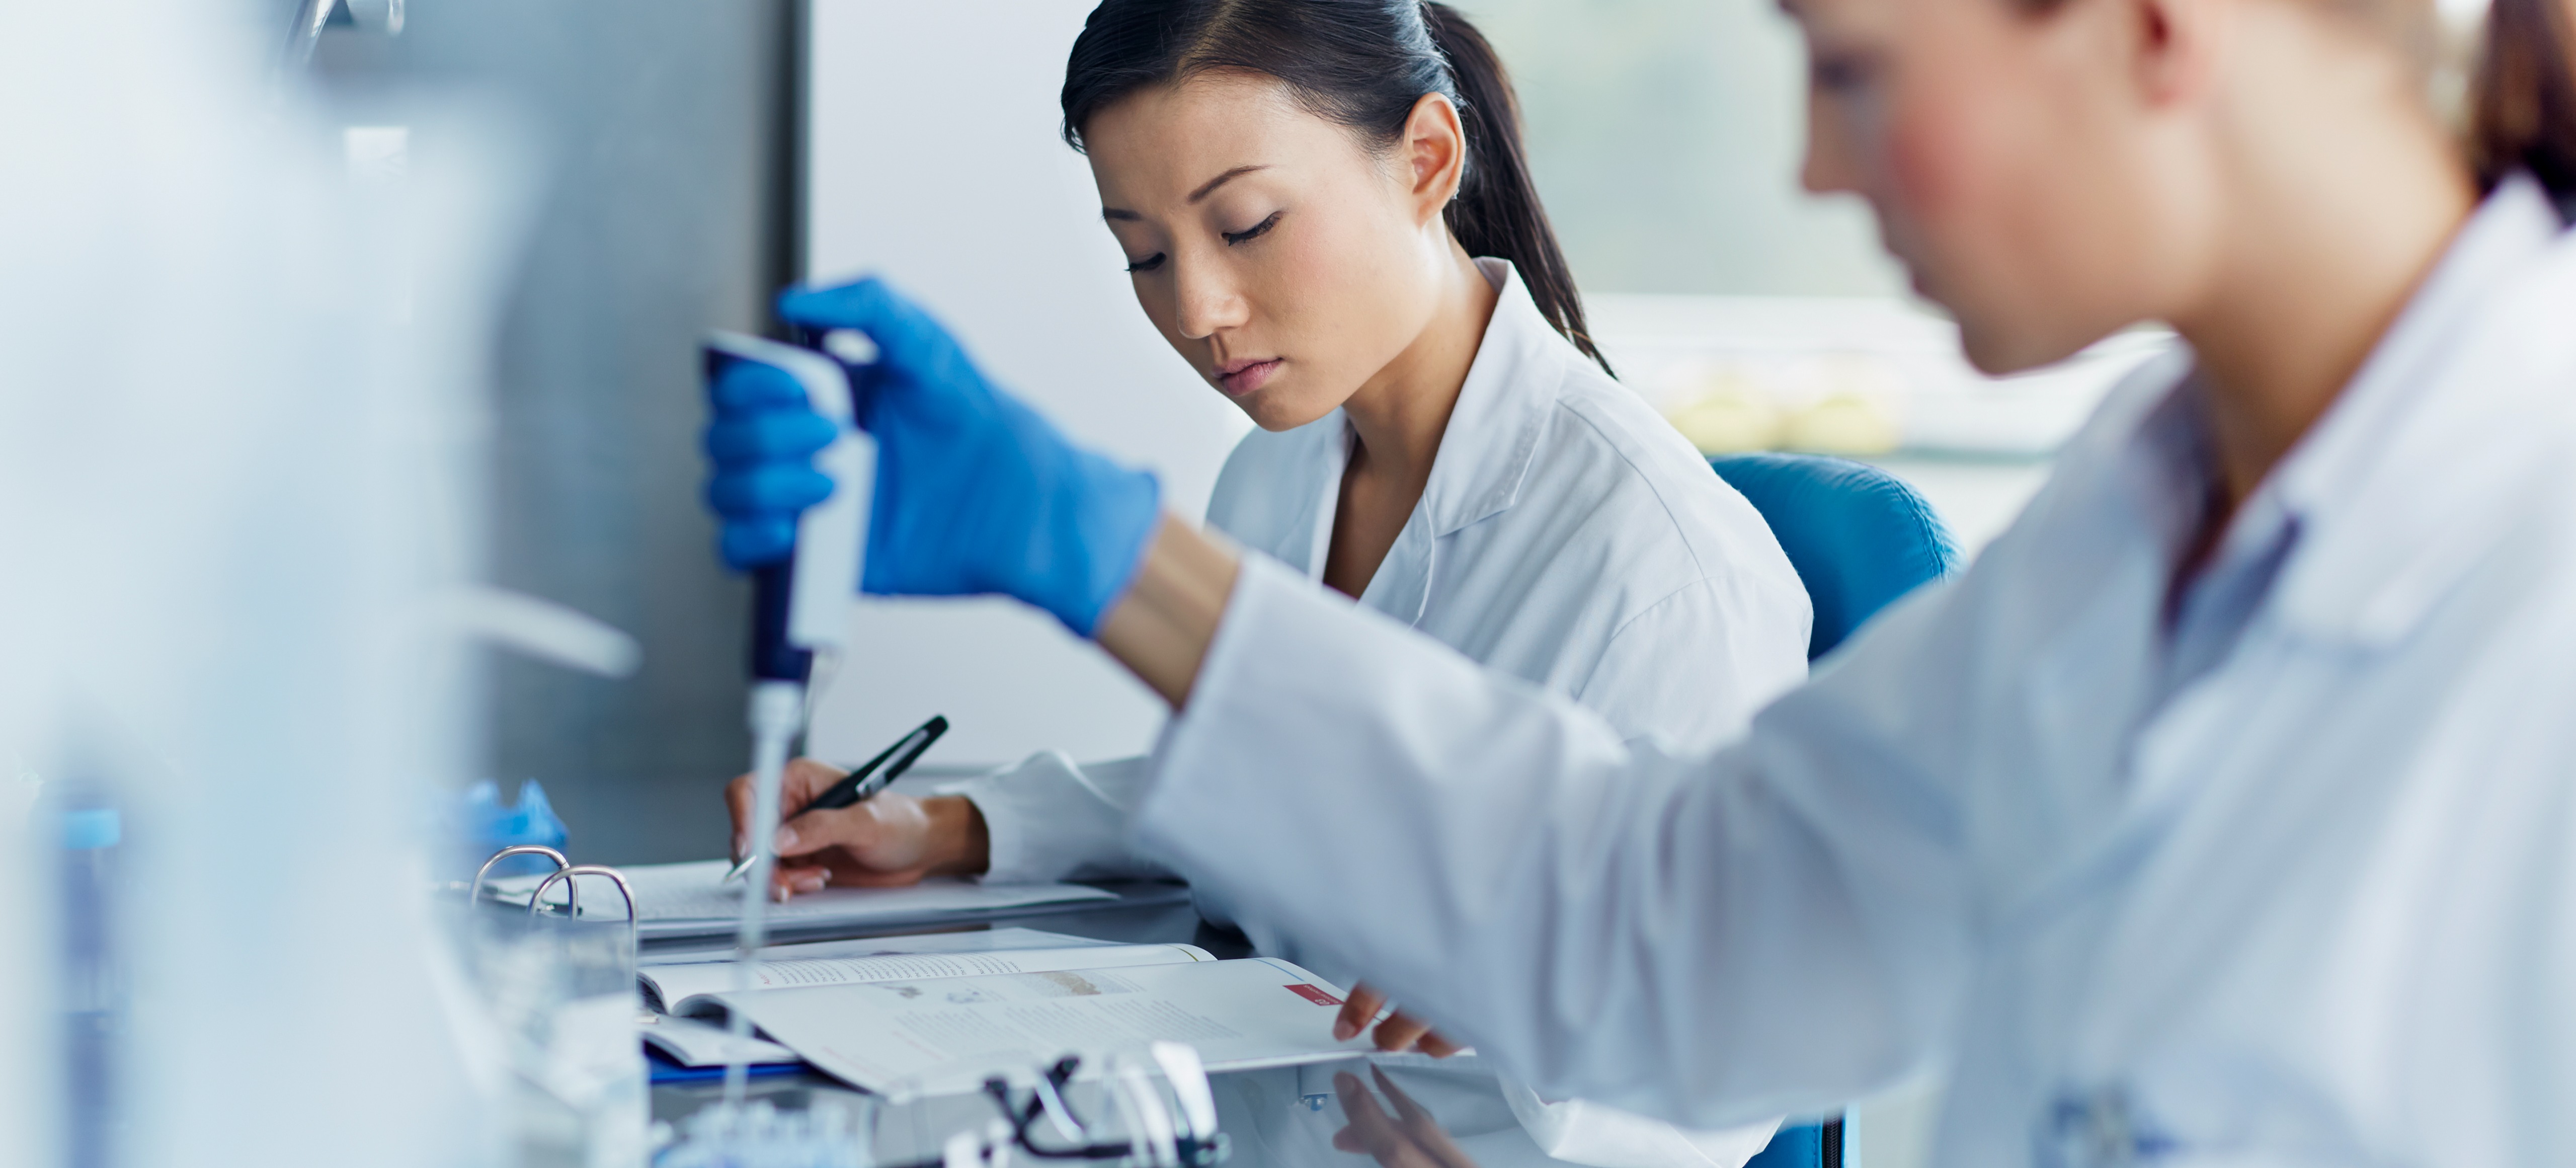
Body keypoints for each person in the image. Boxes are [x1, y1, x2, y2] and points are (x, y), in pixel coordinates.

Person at [710, 0, 2576, 1156]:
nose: (1815, 165)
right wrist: (1109, 559)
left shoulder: (2528, 585)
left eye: (1852, 68)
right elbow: (1673, 923)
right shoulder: (2134, 528)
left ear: (2154, 27)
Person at [712, 4, 1806, 1164]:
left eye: (1247, 225)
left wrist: (1532, 988)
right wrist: (953, 826)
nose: (1196, 310)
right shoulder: (1278, 469)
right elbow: (1279, 775)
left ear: (1426, 159)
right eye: (1144, 254)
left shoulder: (1661, 566)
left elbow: (1716, 1075)